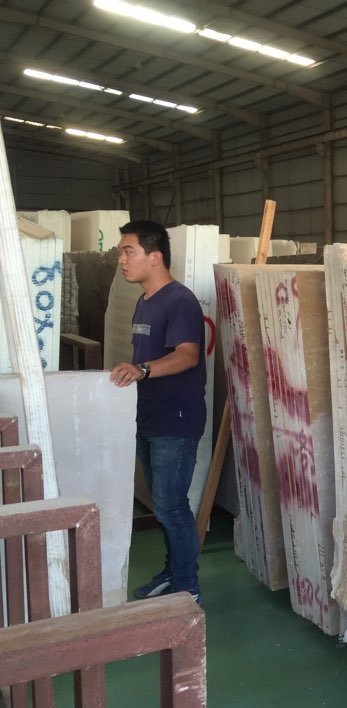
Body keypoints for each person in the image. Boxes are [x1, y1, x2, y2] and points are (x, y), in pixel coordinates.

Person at [110, 219, 205, 605]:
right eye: (121, 252)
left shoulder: (179, 301)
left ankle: (187, 587)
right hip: (149, 418)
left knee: (171, 506)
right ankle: (173, 573)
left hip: (175, 421)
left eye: (128, 251)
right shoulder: (145, 301)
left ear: (155, 256)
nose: (121, 260)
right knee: (164, 507)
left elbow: (187, 355)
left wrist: (143, 370)